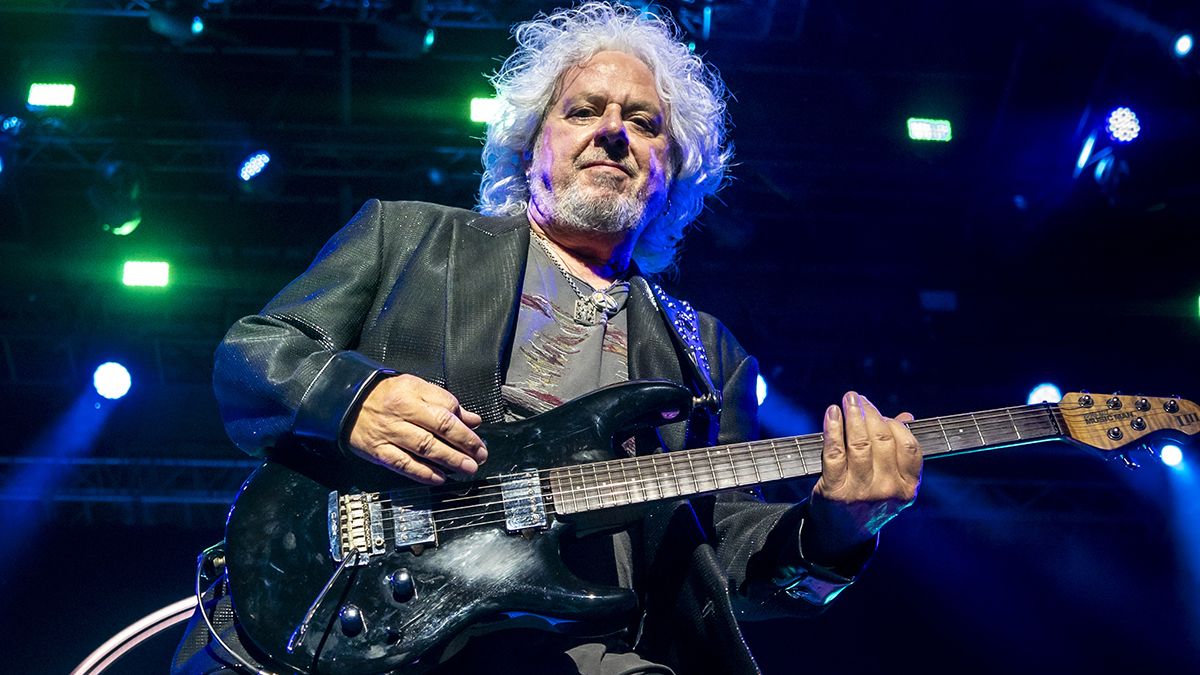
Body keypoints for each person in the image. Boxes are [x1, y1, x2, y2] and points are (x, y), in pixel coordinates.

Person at [172, 3, 922, 674]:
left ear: (674, 171)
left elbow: (720, 559)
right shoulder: (407, 237)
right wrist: (354, 399)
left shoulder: (710, 356)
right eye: (583, 110)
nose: (613, 131)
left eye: (645, 122)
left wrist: (833, 534)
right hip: (350, 610)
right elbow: (254, 352)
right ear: (529, 145)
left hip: (576, 650)